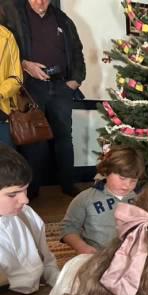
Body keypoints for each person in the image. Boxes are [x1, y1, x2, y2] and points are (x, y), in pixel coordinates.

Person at [8, 0, 85, 199]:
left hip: (61, 86)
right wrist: (25, 65)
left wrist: (76, 79)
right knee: (34, 139)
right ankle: (31, 191)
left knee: (64, 137)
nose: (40, 2)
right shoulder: (15, 16)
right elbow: (7, 50)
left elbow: (77, 50)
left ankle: (68, 184)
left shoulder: (63, 19)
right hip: (31, 86)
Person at [0, 146, 59, 295]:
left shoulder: (26, 215)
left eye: (25, 190)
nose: (24, 199)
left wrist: (62, 286)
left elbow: (47, 261)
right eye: (13, 194)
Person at [61, 146, 145, 254]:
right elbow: (68, 228)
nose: (127, 185)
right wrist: (82, 247)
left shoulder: (141, 199)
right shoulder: (85, 199)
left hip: (131, 256)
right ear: (106, 172)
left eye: (133, 180)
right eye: (122, 178)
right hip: (97, 256)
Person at [0, 19, 22, 147]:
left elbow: (16, 77)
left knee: (6, 163)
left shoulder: (6, 36)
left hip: (1, 114)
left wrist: (1, 93)